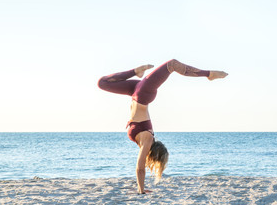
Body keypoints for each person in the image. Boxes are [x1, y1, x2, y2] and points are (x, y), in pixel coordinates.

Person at [97, 59, 228, 194]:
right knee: (171, 65)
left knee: (102, 83)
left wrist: (141, 190)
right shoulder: (147, 139)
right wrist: (141, 189)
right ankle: (208, 74)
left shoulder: (146, 141)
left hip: (138, 93)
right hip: (143, 94)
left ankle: (137, 72)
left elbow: (140, 168)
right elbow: (140, 168)